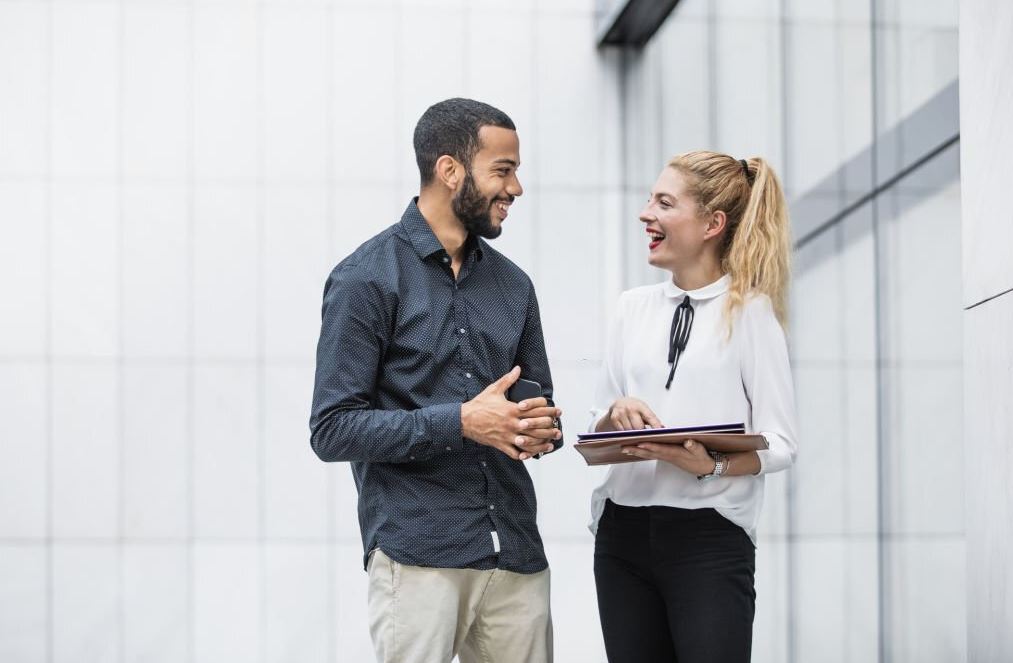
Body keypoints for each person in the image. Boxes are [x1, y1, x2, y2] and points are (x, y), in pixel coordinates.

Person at [309, 98, 563, 663]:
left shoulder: (514, 286)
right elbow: (332, 428)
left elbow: (538, 401)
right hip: (418, 553)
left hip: (516, 556)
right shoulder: (365, 278)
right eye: (503, 170)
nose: (516, 188)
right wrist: (463, 422)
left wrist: (536, 424)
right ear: (450, 171)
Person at [588, 151, 799, 662]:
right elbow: (594, 425)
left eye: (664, 202)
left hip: (708, 538)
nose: (646, 213)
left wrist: (713, 465)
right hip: (622, 534)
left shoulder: (751, 312)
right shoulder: (630, 307)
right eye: (649, 199)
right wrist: (615, 414)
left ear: (712, 223)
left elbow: (782, 443)